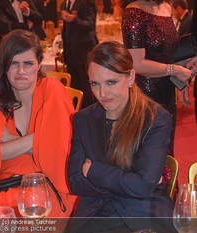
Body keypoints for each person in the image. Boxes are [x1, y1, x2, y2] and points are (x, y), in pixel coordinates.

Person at [68, 41, 174, 232]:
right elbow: (75, 181)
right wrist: (128, 181)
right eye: (94, 83)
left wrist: (93, 171)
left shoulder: (155, 119)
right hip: (94, 214)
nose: (102, 93)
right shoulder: (82, 118)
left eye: (111, 82)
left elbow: (143, 186)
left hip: (140, 215)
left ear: (131, 77)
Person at [0, 30, 76, 223]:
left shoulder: (52, 90)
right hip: (5, 184)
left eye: (28, 63)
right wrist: (40, 140)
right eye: (14, 63)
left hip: (49, 184)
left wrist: (11, 142)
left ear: (38, 64)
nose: (21, 71)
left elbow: (59, 152)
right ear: (4, 65)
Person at [121, 0, 197, 156]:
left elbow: (166, 55)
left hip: (167, 93)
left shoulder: (166, 7)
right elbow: (137, 64)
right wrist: (174, 70)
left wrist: (185, 64)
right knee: (150, 154)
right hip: (145, 96)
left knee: (167, 149)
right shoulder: (134, 12)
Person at [60, 0, 98, 108]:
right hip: (71, 52)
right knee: (74, 86)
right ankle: (76, 113)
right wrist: (65, 51)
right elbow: (65, 31)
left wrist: (74, 19)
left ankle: (90, 114)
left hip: (84, 50)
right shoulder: (64, 4)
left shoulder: (87, 2)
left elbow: (90, 24)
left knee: (87, 86)